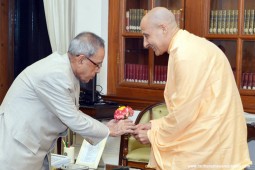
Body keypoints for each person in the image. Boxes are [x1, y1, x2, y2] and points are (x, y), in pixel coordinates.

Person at [133, 7, 252, 170]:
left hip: (209, 142)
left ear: (163, 28)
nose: (145, 44)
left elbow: (185, 112)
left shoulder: (185, 53)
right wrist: (156, 125)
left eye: (147, 36)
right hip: (214, 137)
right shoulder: (188, 45)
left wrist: (153, 134)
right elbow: (193, 106)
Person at [0, 32, 135, 170]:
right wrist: (108, 130)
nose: (99, 70)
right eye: (97, 65)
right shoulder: (56, 74)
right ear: (81, 59)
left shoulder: (68, 71)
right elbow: (72, 118)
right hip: (17, 147)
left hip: (33, 147)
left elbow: (73, 113)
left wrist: (106, 127)